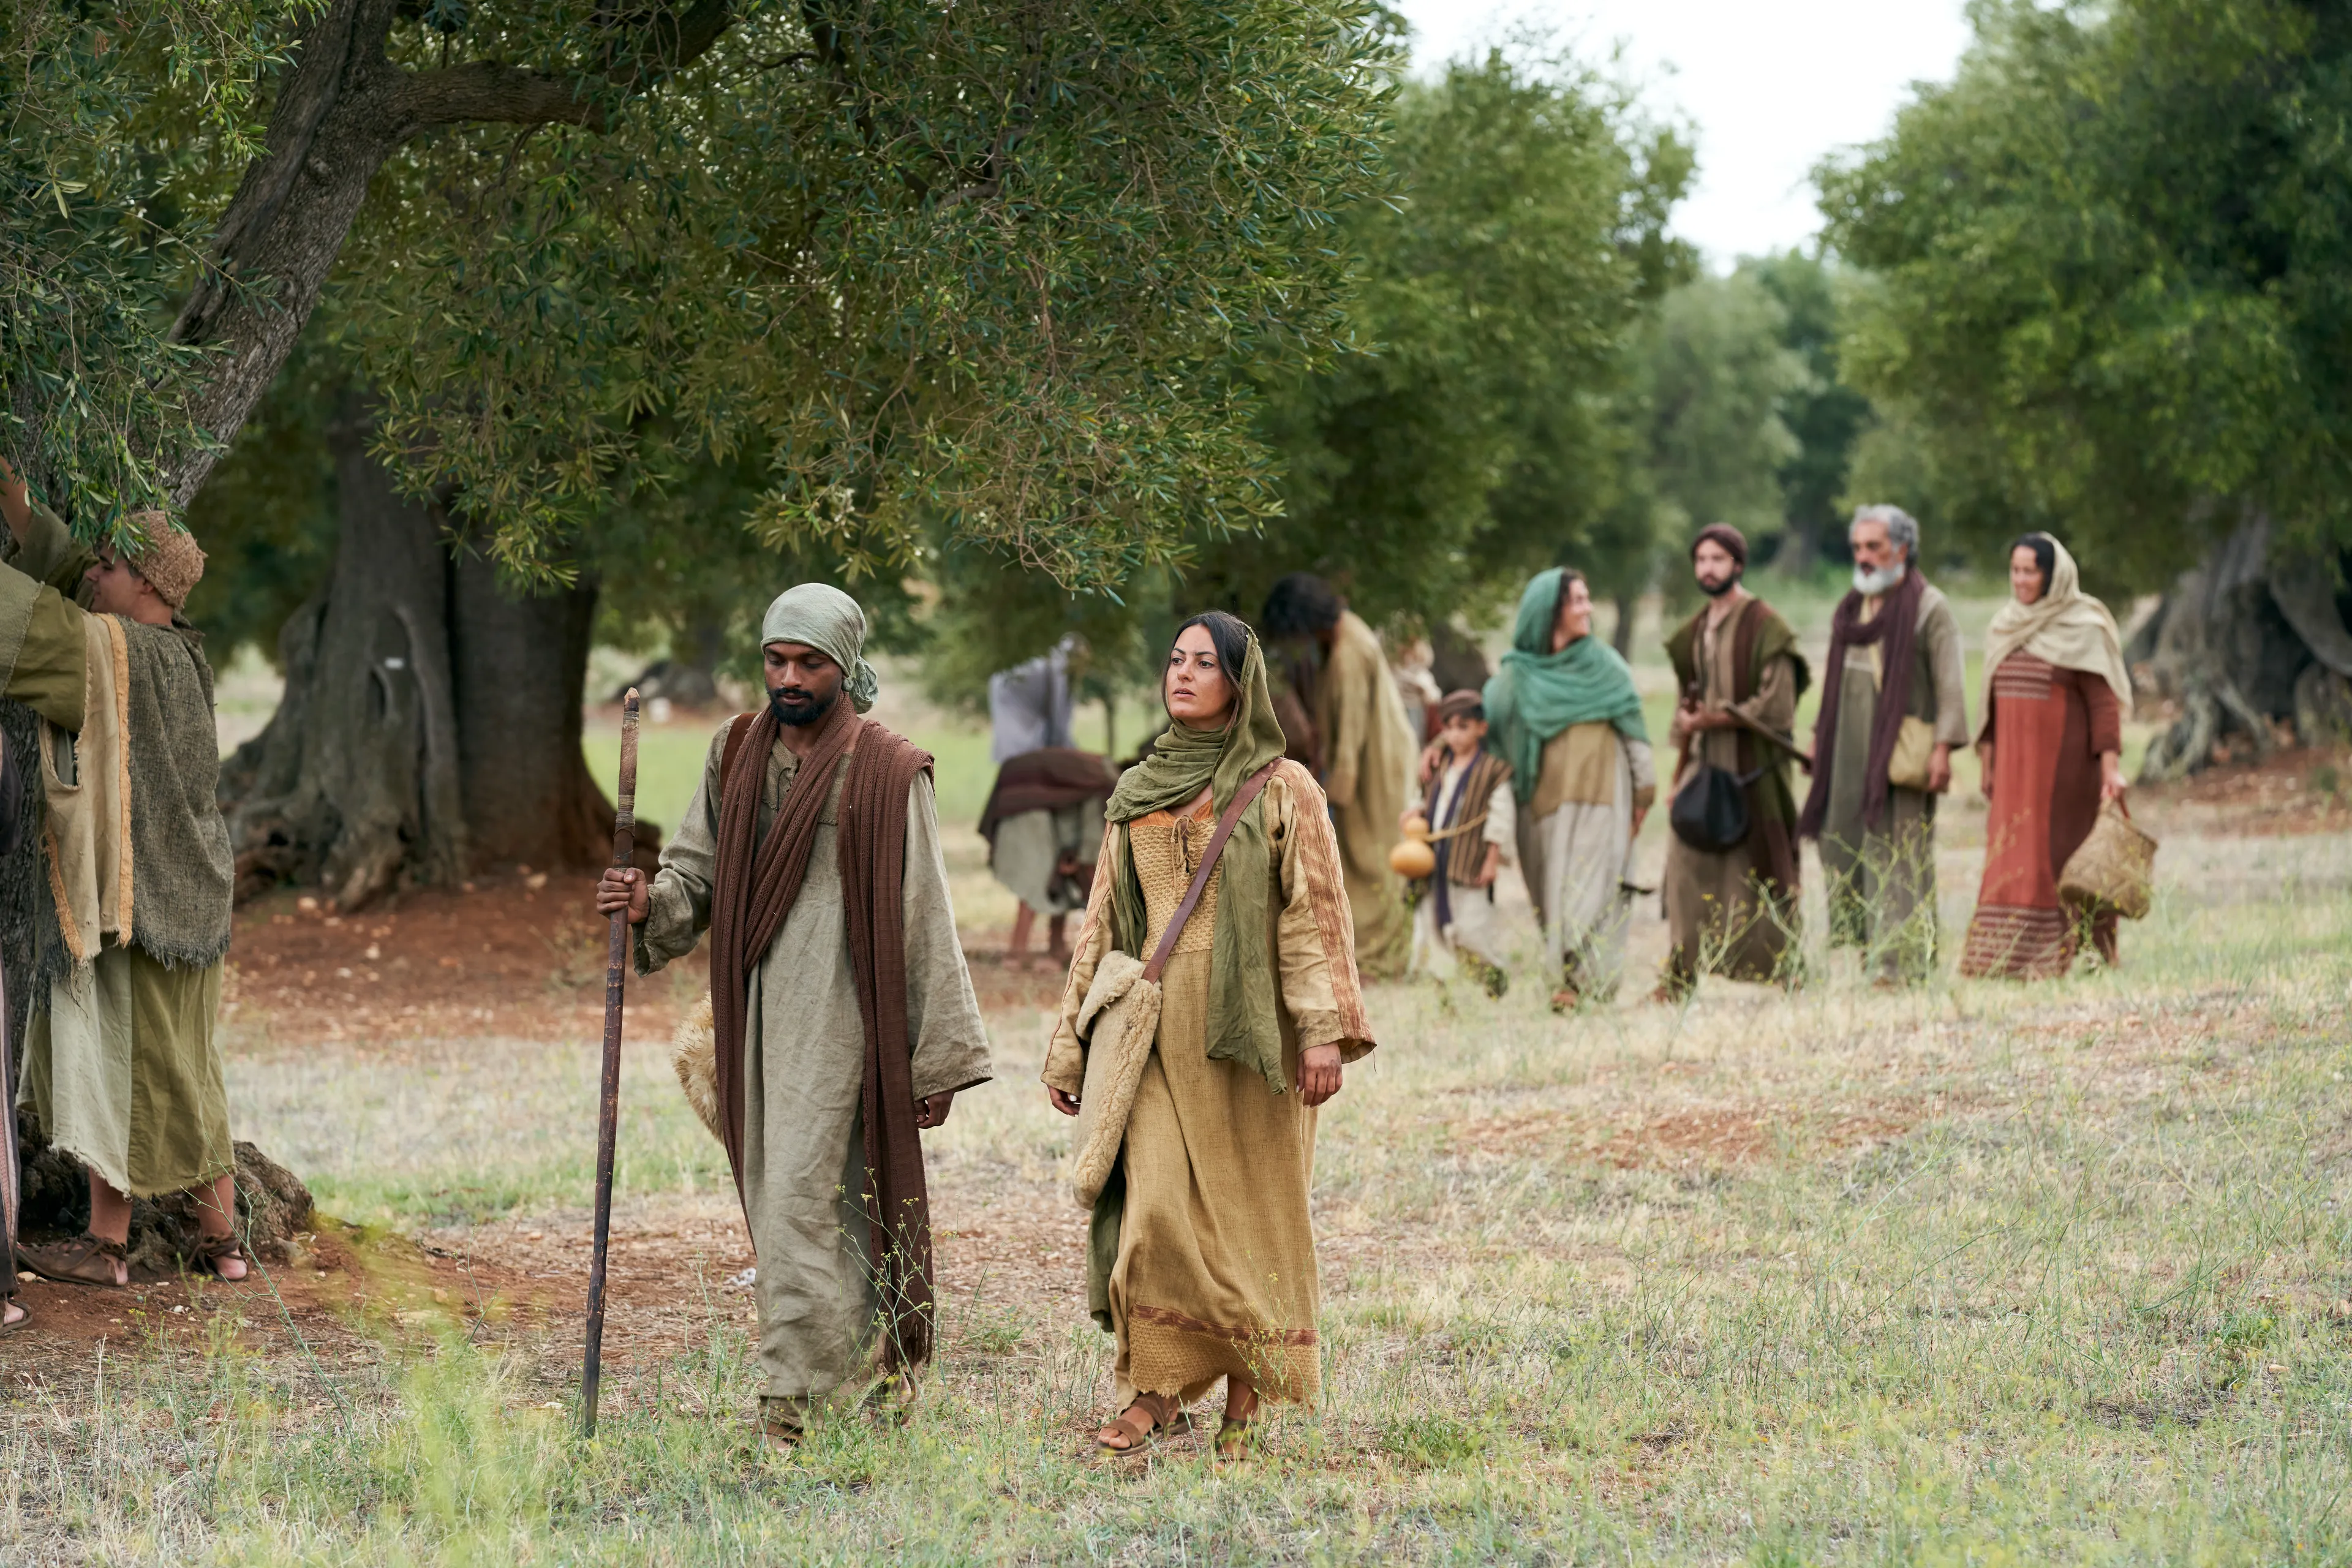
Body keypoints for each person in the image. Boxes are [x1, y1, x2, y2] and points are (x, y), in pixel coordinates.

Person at [598, 585, 992, 1447]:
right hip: (755, 1008)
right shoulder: (736, 751)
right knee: (794, 1194)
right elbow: (693, 875)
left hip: (854, 1008)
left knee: (806, 1198)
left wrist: (936, 1059)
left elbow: (924, 911)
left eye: (808, 663)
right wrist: (645, 902)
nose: (788, 677)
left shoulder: (888, 770)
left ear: (843, 666)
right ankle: (870, 1370)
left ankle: (794, 1401)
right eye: (776, 660)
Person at [1042, 611, 1373, 1462]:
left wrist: (1324, 1034)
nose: (1182, 674)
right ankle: (1153, 1391)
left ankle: (1246, 1397)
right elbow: (1103, 926)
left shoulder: (1282, 786)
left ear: (1239, 683)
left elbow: (1314, 920)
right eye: (1174, 660)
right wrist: (1071, 1044)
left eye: (1204, 663)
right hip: (1152, 1033)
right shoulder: (1137, 791)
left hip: (1255, 1040)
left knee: (1253, 1218)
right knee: (1153, 1214)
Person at [0, 458, 243, 1292]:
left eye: (106, 567)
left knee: (126, 1063)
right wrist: (24, 514)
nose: (90, 578)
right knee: (186, 1068)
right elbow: (68, 586)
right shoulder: (181, 652)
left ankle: (106, 1248)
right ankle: (225, 1244)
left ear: (143, 581)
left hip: (141, 899)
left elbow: (27, 629)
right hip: (195, 891)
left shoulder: (111, 653)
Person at [1797, 505, 1970, 987]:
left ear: (1903, 548)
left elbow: (1951, 685)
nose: (1865, 557)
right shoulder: (1854, 607)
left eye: (1874, 546)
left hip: (1901, 755)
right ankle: (1872, 951)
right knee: (1844, 846)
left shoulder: (1930, 606)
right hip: (1848, 753)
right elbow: (1833, 687)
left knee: (1901, 854)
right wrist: (1817, 737)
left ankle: (1901, 963)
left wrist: (1943, 749)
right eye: (1858, 548)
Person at [1482, 568, 1653, 1012]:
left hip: (1602, 799)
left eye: (1586, 598)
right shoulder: (1514, 681)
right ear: (1548, 613)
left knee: (1592, 893)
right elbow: (1488, 738)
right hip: (1537, 807)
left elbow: (1635, 734)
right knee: (1552, 897)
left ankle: (1575, 987)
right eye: (1576, 600)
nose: (1587, 608)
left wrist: (1645, 791)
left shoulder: (1606, 666)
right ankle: (1569, 983)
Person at [1962, 533, 2132, 978]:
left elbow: (2103, 703)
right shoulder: (2006, 624)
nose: (2020, 580)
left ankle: (2088, 955)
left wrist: (2111, 770)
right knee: (2013, 855)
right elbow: (1990, 702)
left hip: (2067, 772)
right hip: (2015, 773)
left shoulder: (2085, 625)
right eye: (2015, 571)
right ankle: (2012, 961)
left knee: (2068, 859)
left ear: (2053, 576)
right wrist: (1988, 760)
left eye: (2030, 571)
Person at [1658, 525, 1809, 999]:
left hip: (1754, 773)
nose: (1708, 568)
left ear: (1738, 565)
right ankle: (1680, 977)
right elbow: (1688, 703)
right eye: (1701, 559)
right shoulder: (1697, 628)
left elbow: (1778, 706)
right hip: (1705, 773)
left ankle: (1787, 970)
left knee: (1765, 872)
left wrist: (1716, 721)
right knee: (1685, 871)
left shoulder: (1767, 625)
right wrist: (1684, 752)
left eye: (1718, 559)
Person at [1261, 573, 1417, 979]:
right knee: (1364, 855)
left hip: (1373, 765)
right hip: (1369, 758)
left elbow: (1349, 736)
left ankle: (1379, 962)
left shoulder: (1349, 655)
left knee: (1370, 856)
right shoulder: (1343, 634)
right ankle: (1368, 956)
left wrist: (1329, 795)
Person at [981, 643, 1113, 968]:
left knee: (1054, 868)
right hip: (1035, 776)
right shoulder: (1103, 779)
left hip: (1020, 768)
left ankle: (1054, 948)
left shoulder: (1016, 666)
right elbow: (1058, 722)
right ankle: (1018, 950)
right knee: (1039, 870)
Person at [1401, 691, 1515, 995]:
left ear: (1481, 728)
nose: (1454, 735)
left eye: (1463, 727)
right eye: (1448, 727)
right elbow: (1422, 799)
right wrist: (1414, 812)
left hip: (1469, 862)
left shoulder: (1493, 771)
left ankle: (1494, 975)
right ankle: (1445, 990)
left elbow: (1501, 818)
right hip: (1434, 863)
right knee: (1433, 927)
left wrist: (1492, 860)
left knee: (1470, 929)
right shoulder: (1437, 765)